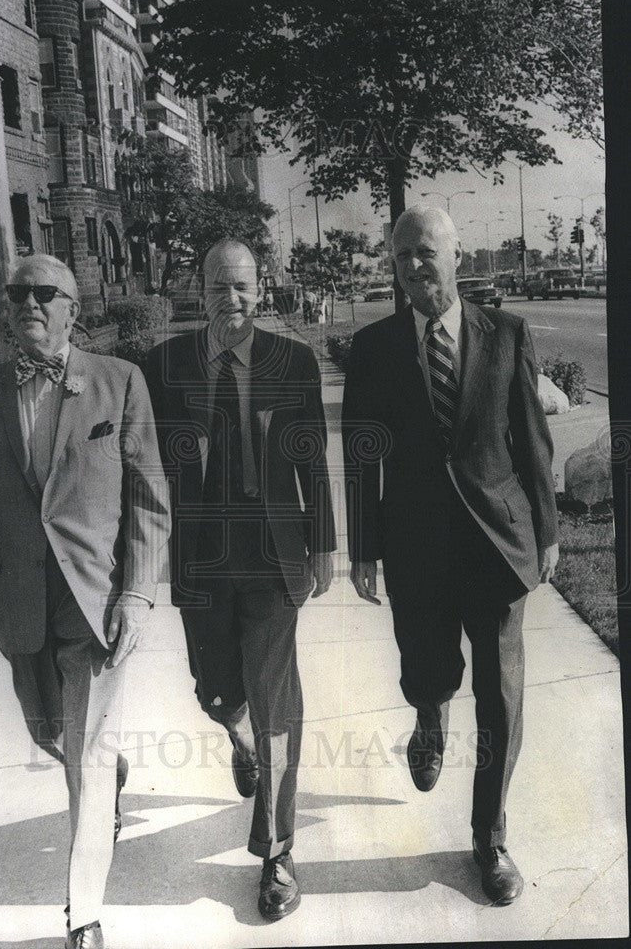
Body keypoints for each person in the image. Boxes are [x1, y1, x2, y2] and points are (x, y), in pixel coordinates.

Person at [0, 254, 171, 949]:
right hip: (18, 603)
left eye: (45, 295)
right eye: (18, 295)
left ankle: (83, 915)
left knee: (85, 764)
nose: (29, 305)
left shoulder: (119, 383)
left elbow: (149, 499)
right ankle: (107, 772)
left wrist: (136, 590)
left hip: (95, 602)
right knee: (51, 736)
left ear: (73, 310)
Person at [342, 207, 558, 906]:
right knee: (428, 668)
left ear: (455, 255)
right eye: (400, 255)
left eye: (424, 252)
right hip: (415, 549)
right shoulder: (371, 348)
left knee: (499, 695)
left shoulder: (507, 335)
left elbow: (530, 440)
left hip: (497, 543)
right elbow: (360, 458)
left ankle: (487, 837)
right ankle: (429, 716)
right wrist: (364, 550)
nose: (412, 266)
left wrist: (547, 533)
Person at [145, 239, 335, 922]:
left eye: (244, 286)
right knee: (216, 692)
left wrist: (325, 546)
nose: (234, 298)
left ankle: (276, 852)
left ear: (263, 289)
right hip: (200, 559)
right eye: (220, 286)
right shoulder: (164, 366)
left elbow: (312, 460)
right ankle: (239, 733)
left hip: (273, 554)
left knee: (276, 697)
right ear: (200, 290)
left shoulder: (293, 362)